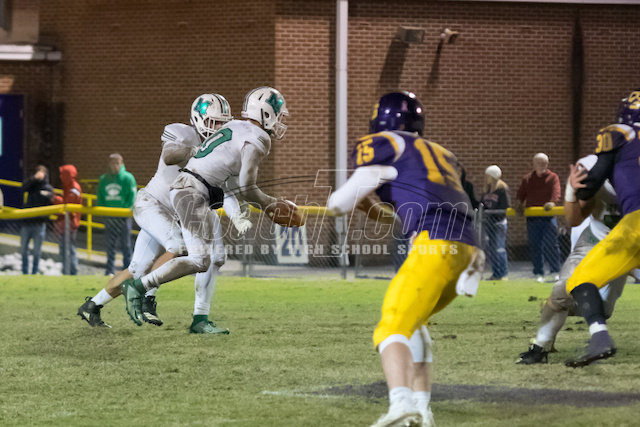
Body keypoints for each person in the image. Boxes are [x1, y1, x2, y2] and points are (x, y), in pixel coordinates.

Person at [328, 91, 484, 427]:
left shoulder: (386, 144)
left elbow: (339, 203)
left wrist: (347, 197)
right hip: (468, 250)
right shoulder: (439, 153)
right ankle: (422, 411)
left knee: (392, 326)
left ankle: (401, 404)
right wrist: (375, 205)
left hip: (435, 246)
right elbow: (415, 204)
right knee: (414, 324)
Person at [120, 86, 295, 327]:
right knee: (200, 260)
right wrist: (269, 204)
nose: (281, 120)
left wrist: (244, 210)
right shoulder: (258, 138)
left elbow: (230, 181)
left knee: (212, 258)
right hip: (192, 192)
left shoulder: (234, 126)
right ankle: (139, 288)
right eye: (278, 114)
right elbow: (246, 187)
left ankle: (198, 317)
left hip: (195, 191)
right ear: (266, 113)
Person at [78, 93, 249, 332]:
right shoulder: (182, 133)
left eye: (223, 123)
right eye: (214, 122)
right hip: (152, 205)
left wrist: (237, 216)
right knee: (180, 246)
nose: (218, 128)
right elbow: (169, 155)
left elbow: (227, 190)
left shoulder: (220, 152)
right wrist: (197, 151)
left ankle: (92, 306)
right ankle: (147, 296)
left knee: (137, 269)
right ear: (198, 119)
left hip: (179, 214)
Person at [516, 155, 626, 364]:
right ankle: (540, 347)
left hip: (629, 246)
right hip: (595, 240)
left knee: (604, 310)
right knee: (561, 291)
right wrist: (572, 192)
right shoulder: (593, 167)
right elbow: (574, 219)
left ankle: (567, 308)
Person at [564, 89, 640, 368]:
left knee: (579, 280)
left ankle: (599, 338)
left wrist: (577, 188)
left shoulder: (621, 134)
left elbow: (591, 185)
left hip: (635, 225)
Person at [516, 152, 562, 282]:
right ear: (534, 164)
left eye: (544, 163)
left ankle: (555, 271)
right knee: (535, 245)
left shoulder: (553, 177)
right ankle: (538, 273)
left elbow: (556, 192)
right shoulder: (527, 179)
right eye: (539, 163)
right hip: (532, 217)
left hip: (548, 217)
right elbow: (521, 194)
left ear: (547, 164)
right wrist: (518, 204)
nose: (541, 165)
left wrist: (552, 202)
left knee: (551, 245)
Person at [97, 153, 137, 275]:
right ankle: (109, 271)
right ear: (109, 164)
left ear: (121, 164)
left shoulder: (128, 178)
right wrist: (103, 210)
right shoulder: (104, 179)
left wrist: (124, 210)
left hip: (123, 217)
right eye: (112, 163)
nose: (115, 166)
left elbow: (132, 197)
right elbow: (100, 196)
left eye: (117, 163)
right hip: (109, 217)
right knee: (110, 245)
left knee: (126, 245)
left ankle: (127, 270)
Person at [21, 165, 54, 275]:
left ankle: (35, 272)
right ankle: (24, 272)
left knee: (37, 251)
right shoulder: (31, 185)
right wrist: (34, 179)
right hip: (27, 223)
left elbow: (50, 203)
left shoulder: (48, 188)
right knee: (23, 250)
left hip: (39, 224)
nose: (40, 175)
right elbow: (23, 188)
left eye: (42, 173)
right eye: (38, 172)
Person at [480, 165, 510, 280]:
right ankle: (496, 273)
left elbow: (505, 205)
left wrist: (492, 214)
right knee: (492, 249)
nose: (486, 178)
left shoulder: (502, 189)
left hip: (498, 223)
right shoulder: (487, 189)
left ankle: (503, 273)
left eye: (488, 176)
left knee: (499, 248)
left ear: (493, 176)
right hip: (488, 223)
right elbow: (483, 204)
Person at [52, 165, 82, 275]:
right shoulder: (68, 186)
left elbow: (68, 204)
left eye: (62, 174)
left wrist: (55, 199)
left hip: (71, 223)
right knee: (65, 248)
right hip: (67, 222)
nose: (60, 177)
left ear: (68, 175)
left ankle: (72, 271)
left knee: (69, 248)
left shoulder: (74, 188)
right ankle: (67, 270)